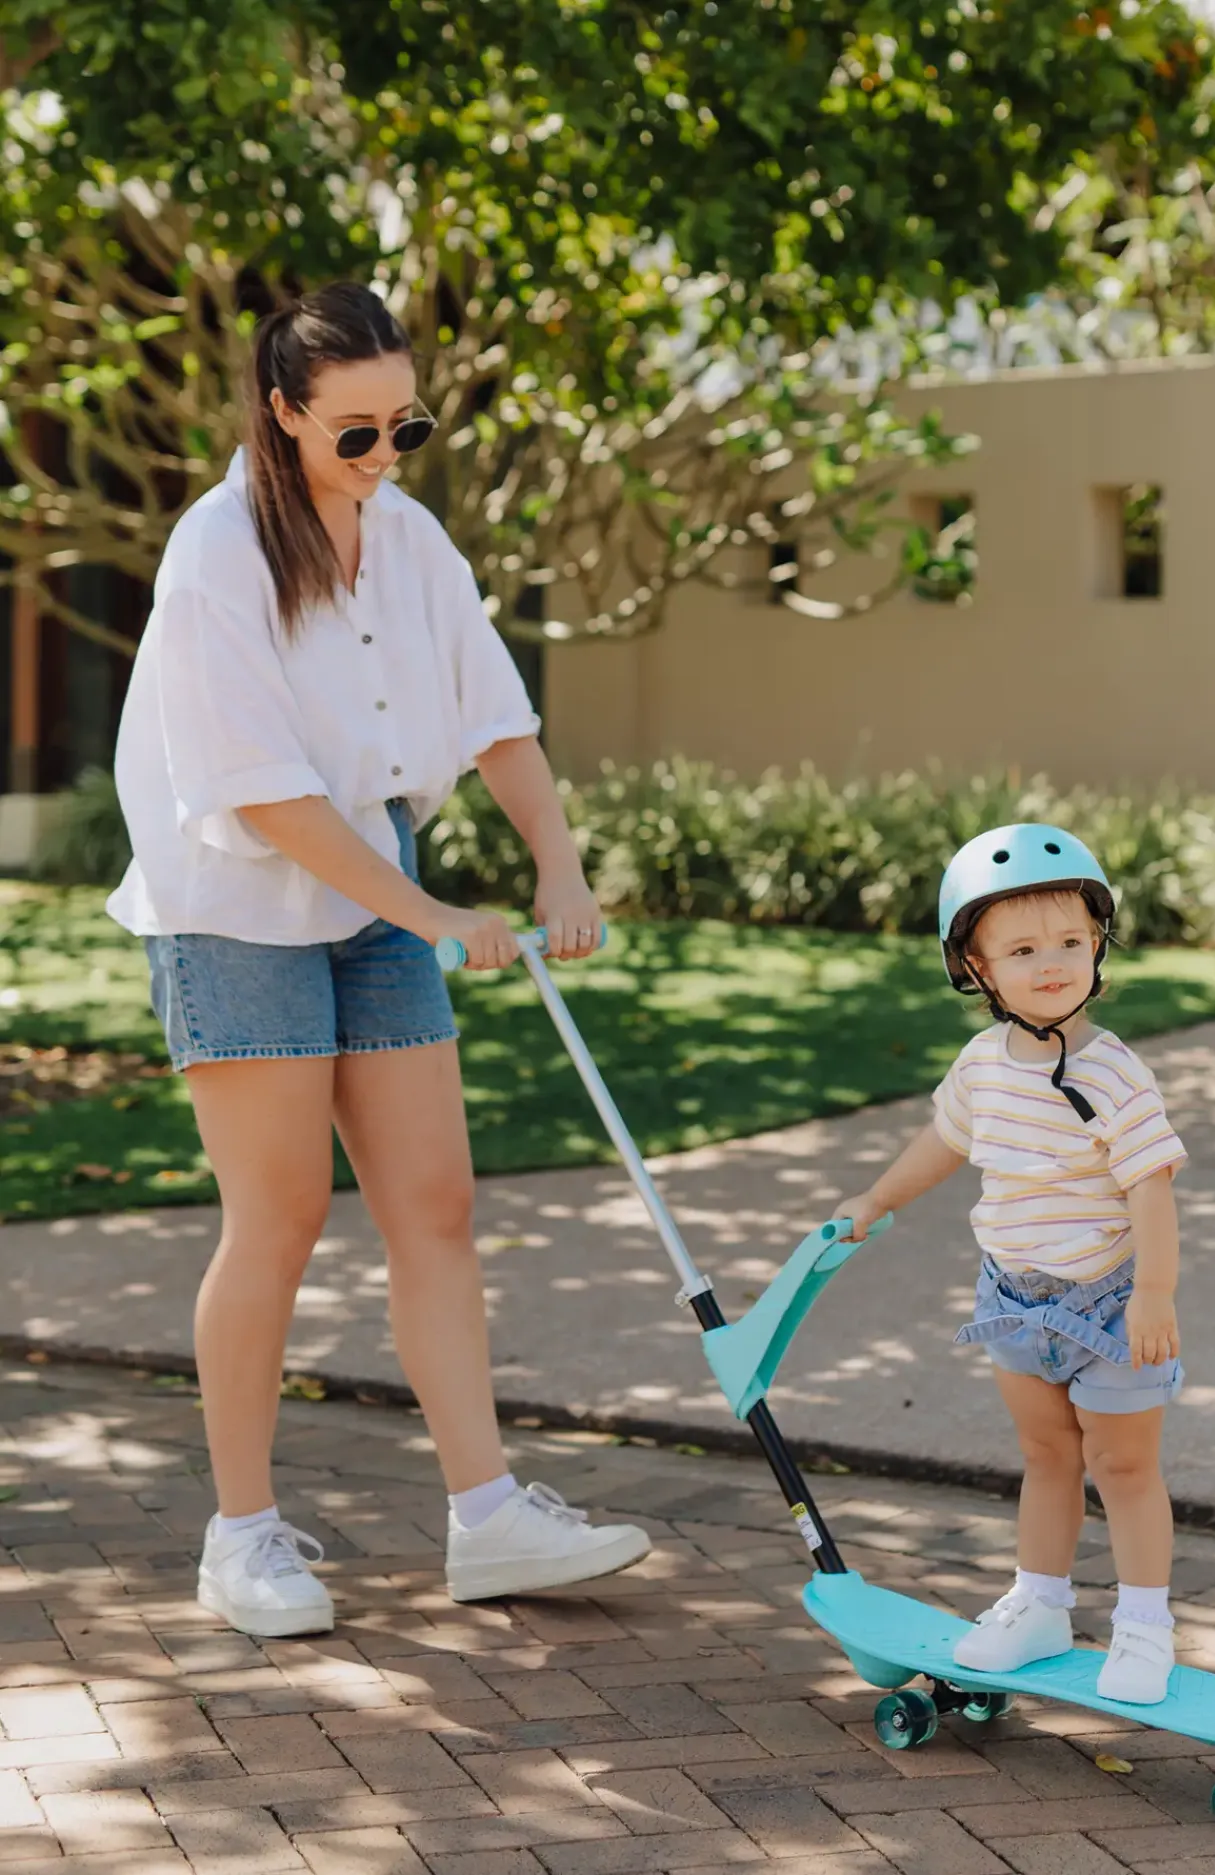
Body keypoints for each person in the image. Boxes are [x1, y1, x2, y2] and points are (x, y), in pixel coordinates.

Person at [106, 282, 650, 1639]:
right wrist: (428, 911)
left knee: (437, 1203)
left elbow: (493, 712)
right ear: (281, 412)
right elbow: (262, 793)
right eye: (354, 433)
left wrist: (558, 860)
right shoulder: (215, 552)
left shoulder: (407, 537)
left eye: (405, 425)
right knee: (279, 1215)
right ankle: (240, 1537)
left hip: (375, 891)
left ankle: (489, 1514)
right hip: (234, 902)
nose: (385, 456)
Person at [836, 825, 1186, 1704]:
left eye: (1071, 941)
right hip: (1012, 1298)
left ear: (1098, 944)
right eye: (1023, 949)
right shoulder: (983, 1066)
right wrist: (875, 1200)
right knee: (1045, 1454)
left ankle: (1145, 1627)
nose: (1052, 963)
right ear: (979, 968)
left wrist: (1153, 1292)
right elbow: (943, 1143)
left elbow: (1151, 1189)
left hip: (1108, 1304)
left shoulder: (1114, 1074)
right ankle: (1039, 1605)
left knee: (1124, 1464)